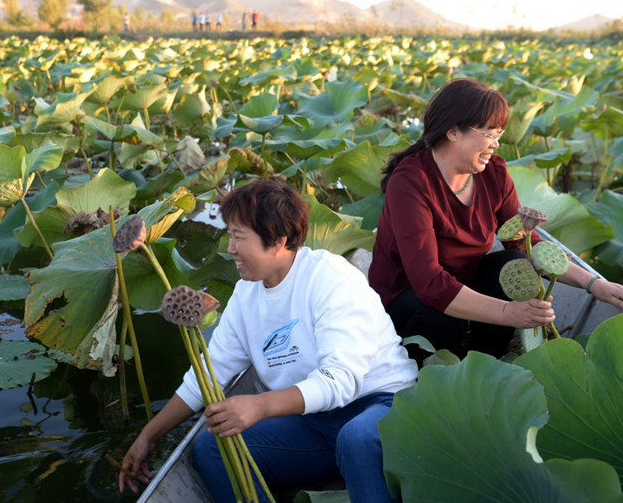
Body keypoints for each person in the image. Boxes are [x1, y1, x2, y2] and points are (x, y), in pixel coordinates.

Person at [119, 179, 417, 502]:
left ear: (278, 240)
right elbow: (206, 376)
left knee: (356, 439)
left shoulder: (330, 278)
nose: (230, 248)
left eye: (238, 237)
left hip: (380, 408)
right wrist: (149, 435)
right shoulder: (246, 295)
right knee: (212, 447)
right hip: (317, 426)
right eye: (229, 235)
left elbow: (340, 381)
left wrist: (260, 406)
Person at [368, 78, 623, 365]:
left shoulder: (493, 173)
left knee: (512, 262)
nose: (496, 144)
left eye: (500, 134)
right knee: (440, 316)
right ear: (453, 131)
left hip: (463, 283)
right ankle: (433, 378)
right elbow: (430, 283)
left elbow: (524, 243)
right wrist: (510, 313)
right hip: (407, 300)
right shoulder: (411, 183)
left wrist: (594, 284)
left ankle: (488, 364)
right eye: (488, 134)